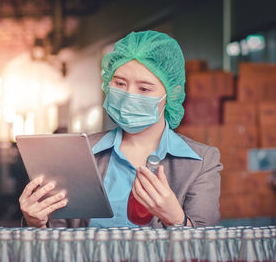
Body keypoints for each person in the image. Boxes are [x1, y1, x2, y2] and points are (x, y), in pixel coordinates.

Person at [19, 30, 222, 228]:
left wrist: (177, 220)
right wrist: (36, 222)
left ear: (171, 93)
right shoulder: (79, 151)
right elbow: (56, 236)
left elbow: (207, 246)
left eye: (144, 88)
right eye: (120, 83)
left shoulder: (202, 162)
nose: (128, 96)